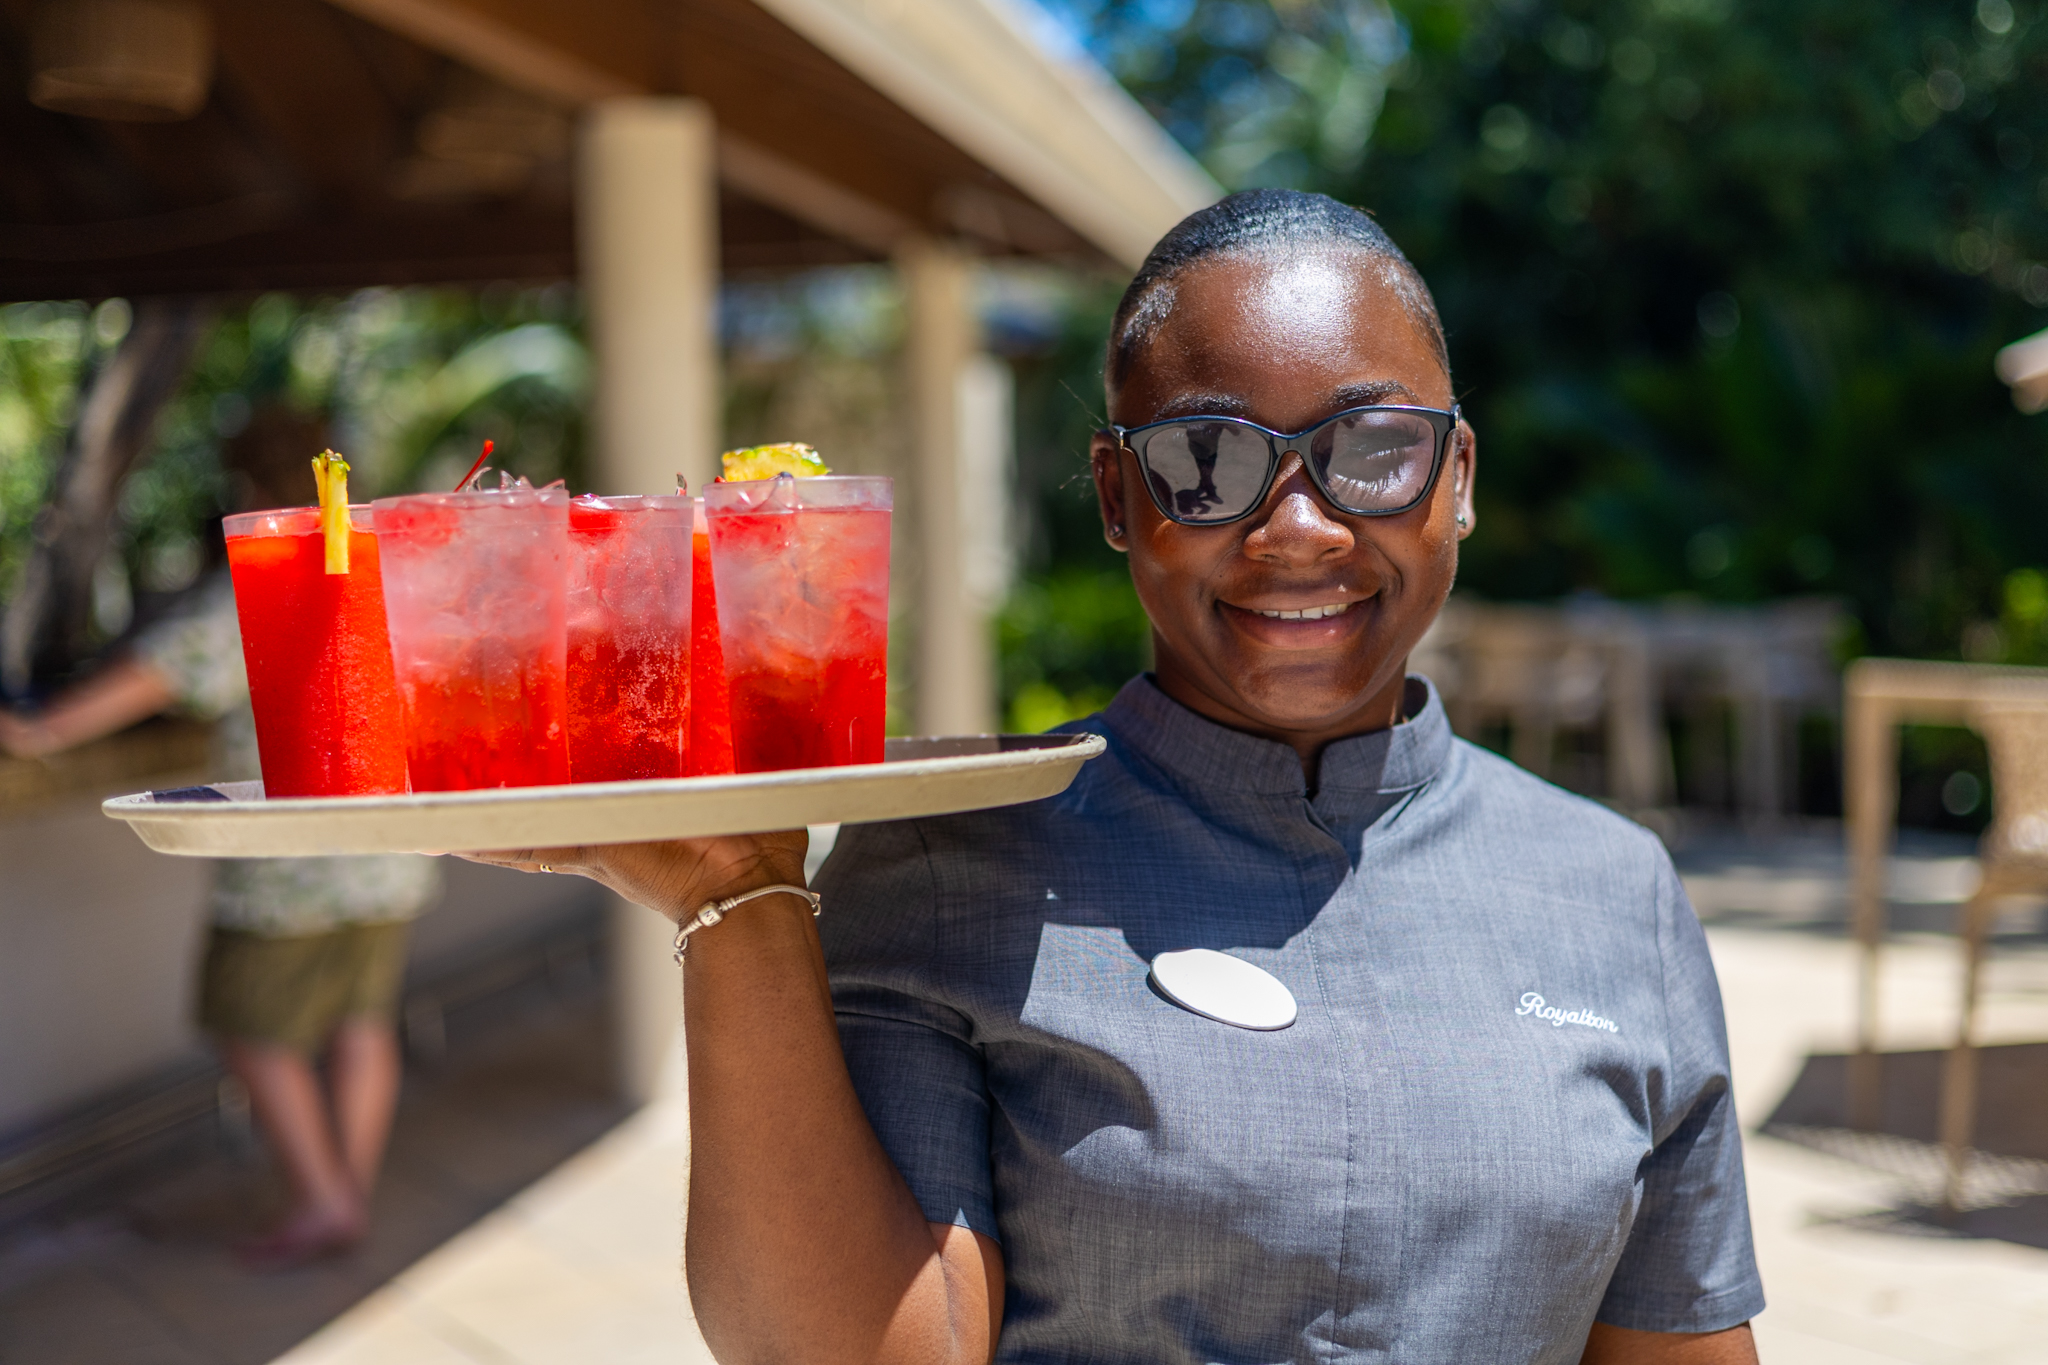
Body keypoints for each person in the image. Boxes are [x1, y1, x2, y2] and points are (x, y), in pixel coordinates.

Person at [466, 190, 1762, 1363]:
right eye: (1207, 460)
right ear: (1116, 495)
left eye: (1373, 449)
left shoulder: (1612, 896)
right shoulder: (952, 854)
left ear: (1456, 477)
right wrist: (737, 896)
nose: (1298, 528)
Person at [0, 407, 441, 1269]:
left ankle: (324, 1199)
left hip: (289, 866)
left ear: (247, 485)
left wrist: (39, 728)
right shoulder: (379, 569)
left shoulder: (263, 574)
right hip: (389, 848)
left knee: (252, 1029)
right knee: (363, 1024)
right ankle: (345, 1192)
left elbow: (162, 671)